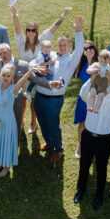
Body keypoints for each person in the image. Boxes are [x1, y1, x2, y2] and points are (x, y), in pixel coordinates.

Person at [0, 41, 56, 135]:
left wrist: (49, 84)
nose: (3, 55)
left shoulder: (23, 65)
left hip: (15, 104)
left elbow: (35, 79)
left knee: (14, 129)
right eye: (1, 54)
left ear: (10, 51)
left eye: (5, 52)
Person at [9, 5, 72, 134]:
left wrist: (63, 15)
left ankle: (33, 121)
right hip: (23, 75)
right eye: (28, 30)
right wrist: (15, 14)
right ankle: (20, 122)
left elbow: (54, 28)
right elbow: (16, 28)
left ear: (37, 31)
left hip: (38, 76)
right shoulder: (21, 41)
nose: (31, 32)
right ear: (26, 31)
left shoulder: (42, 40)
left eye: (33, 30)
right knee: (21, 101)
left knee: (34, 101)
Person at [30, 16, 85, 163]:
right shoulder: (51, 55)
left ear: (70, 47)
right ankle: (49, 142)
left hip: (54, 100)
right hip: (40, 95)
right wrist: (36, 69)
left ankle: (59, 149)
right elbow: (33, 62)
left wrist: (78, 32)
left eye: (64, 45)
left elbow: (80, 50)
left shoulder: (71, 60)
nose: (61, 47)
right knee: (42, 121)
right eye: (59, 45)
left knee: (53, 124)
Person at [74, 73, 110, 210]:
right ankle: (81, 190)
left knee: (101, 169)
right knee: (84, 165)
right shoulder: (92, 95)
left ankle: (99, 196)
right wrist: (90, 80)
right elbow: (82, 93)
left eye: (106, 81)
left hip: (104, 140)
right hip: (88, 136)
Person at [72, 32, 110, 157]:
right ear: (83, 52)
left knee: (96, 123)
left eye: (90, 48)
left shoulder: (100, 61)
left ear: (94, 49)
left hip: (100, 96)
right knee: (82, 124)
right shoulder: (81, 66)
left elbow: (108, 52)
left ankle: (95, 147)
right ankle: (80, 145)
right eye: (85, 49)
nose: (88, 50)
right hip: (86, 98)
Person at [86, 50, 110, 114]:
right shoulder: (96, 65)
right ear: (98, 58)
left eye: (105, 62)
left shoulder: (109, 68)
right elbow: (88, 70)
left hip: (103, 87)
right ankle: (91, 107)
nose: (103, 63)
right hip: (95, 84)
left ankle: (97, 109)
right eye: (101, 61)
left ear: (109, 61)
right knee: (93, 94)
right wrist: (93, 70)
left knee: (101, 97)